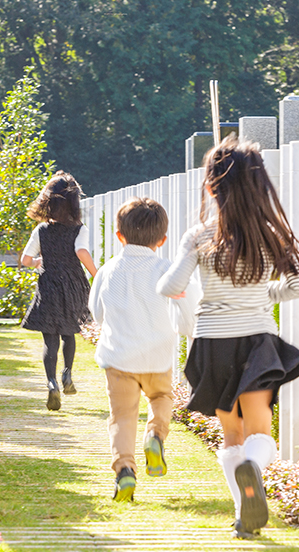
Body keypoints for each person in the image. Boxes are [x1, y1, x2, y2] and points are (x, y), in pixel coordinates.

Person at [157, 136, 299, 538]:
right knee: (261, 433)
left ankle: (245, 513)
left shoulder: (199, 235)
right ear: (259, 184)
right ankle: (254, 472)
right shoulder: (271, 233)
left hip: (212, 343)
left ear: (211, 187)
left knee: (232, 435)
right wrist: (263, 293)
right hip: (257, 341)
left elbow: (170, 286)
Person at [88, 197, 195, 502]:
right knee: (161, 398)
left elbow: (96, 313)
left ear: (119, 235)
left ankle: (124, 471)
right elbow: (182, 307)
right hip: (157, 356)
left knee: (122, 416)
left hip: (118, 356)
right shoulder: (167, 269)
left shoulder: (108, 270)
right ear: (162, 240)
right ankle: (155, 436)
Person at [21, 171, 98, 411]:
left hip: (48, 285)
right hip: (73, 286)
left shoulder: (42, 230)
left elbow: (25, 259)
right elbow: (82, 252)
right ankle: (67, 374)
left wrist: (37, 263)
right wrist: (97, 273)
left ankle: (51, 382)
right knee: (69, 333)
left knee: (49, 340)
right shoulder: (78, 229)